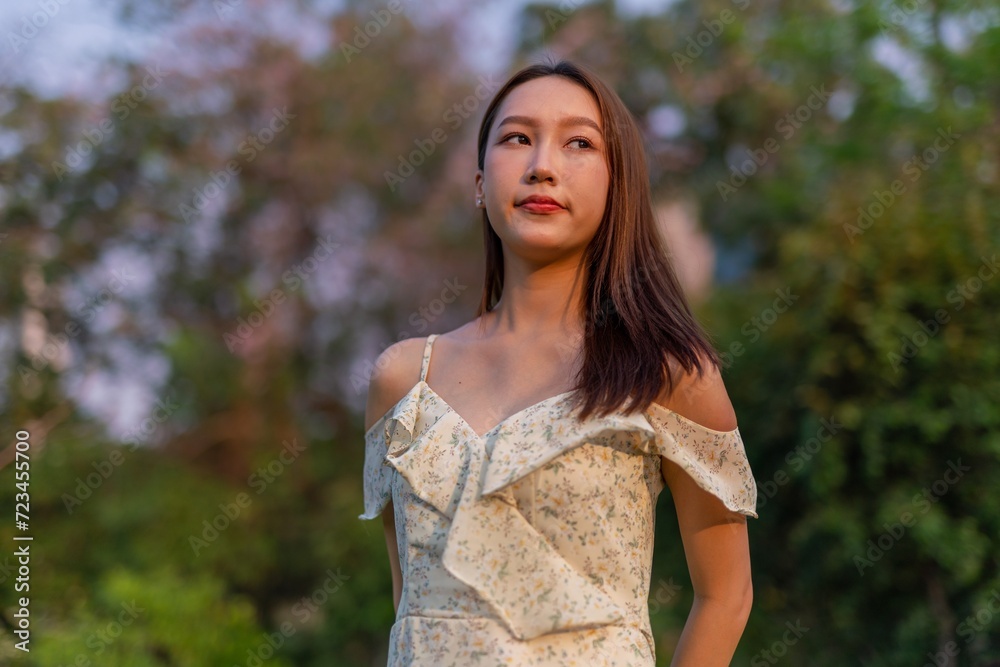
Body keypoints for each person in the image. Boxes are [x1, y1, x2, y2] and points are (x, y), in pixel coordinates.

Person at [360, 58, 758, 666]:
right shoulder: (403, 381)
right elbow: (408, 607)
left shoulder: (665, 373)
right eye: (517, 138)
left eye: (578, 143)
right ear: (477, 182)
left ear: (615, 182)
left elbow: (726, 597)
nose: (542, 166)